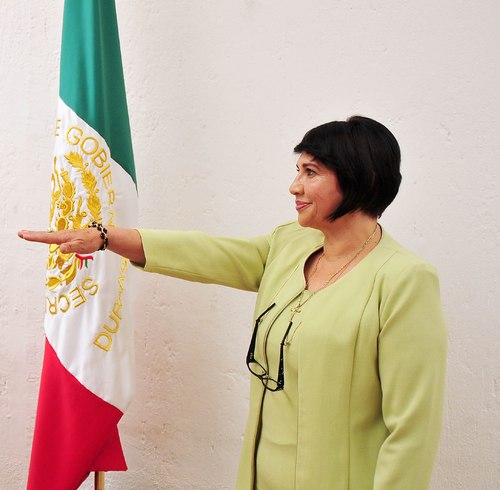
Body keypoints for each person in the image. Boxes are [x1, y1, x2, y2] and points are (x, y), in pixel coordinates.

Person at [19, 115, 447, 490]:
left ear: (357, 178)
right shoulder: (290, 244)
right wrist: (106, 237)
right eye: (297, 170)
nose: (295, 186)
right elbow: (209, 253)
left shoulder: (403, 281)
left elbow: (412, 430)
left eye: (311, 172)